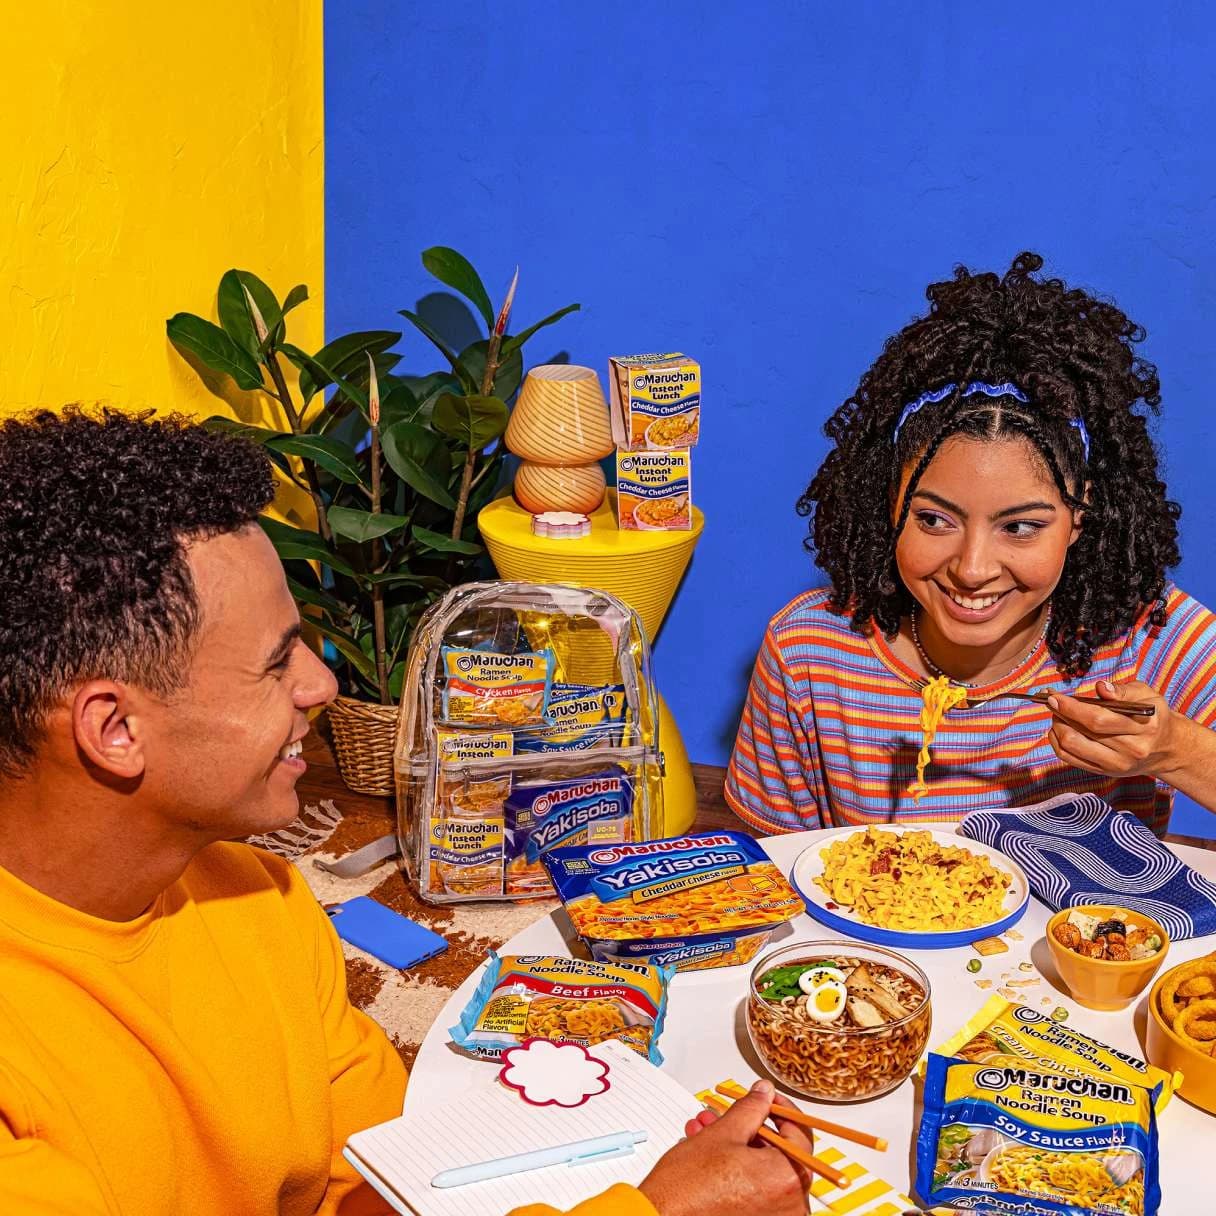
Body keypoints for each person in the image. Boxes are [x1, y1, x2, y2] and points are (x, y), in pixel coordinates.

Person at [0, 409, 813, 1216]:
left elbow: (383, 1182)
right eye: (274, 662)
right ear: (115, 729)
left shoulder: (262, 900)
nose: (321, 686)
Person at [727, 252, 1216, 835]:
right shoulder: (808, 652)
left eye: (1020, 527)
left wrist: (1173, 753)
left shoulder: (1147, 636)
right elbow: (775, 881)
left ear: (1079, 517)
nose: (973, 568)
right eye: (935, 520)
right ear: (890, 506)